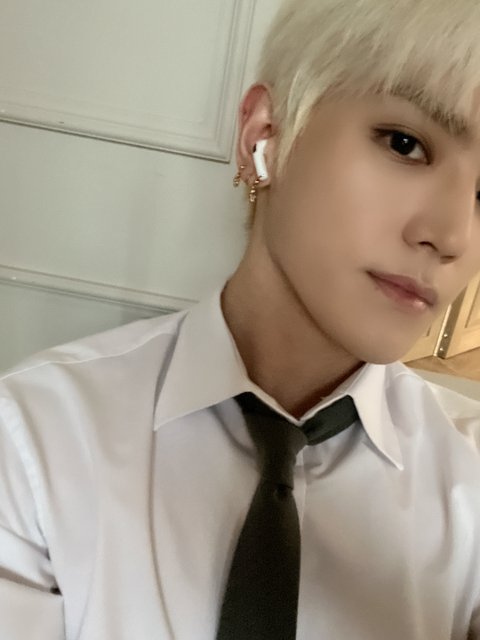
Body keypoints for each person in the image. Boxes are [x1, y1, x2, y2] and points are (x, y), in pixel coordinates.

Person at [2, 0, 480, 637]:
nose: (451, 236)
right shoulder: (35, 439)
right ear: (263, 134)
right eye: (406, 144)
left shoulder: (469, 477)